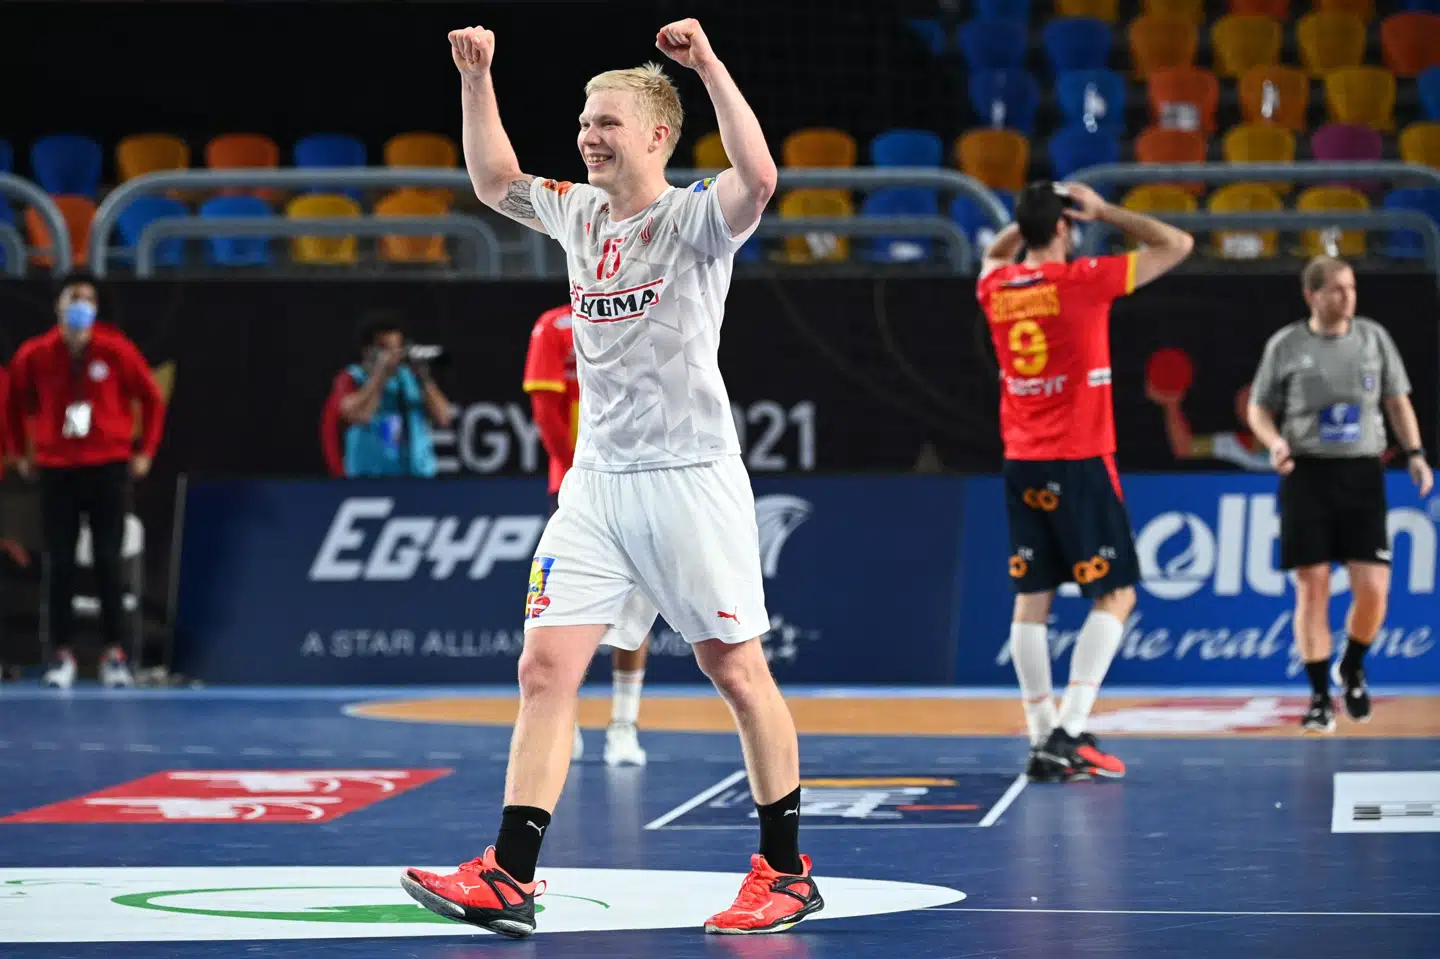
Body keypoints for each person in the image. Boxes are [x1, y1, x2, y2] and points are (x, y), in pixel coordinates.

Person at [402, 19, 822, 938]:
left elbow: (759, 178)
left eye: (608, 123)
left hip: (687, 477)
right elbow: (494, 181)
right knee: (544, 666)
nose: (589, 135)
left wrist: (709, 64)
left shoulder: (695, 218)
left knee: (734, 668)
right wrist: (477, 78)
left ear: (659, 136)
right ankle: (509, 873)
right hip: (595, 482)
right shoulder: (577, 212)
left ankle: (786, 872)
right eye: (585, 121)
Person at [977, 181, 1193, 782]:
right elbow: (1177, 243)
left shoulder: (996, 286)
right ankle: (1070, 730)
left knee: (1032, 600)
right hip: (1077, 459)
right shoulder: (1084, 280)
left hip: (1022, 461)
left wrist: (1030, 220)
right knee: (1116, 595)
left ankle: (1041, 737)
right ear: (1065, 227)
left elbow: (994, 253)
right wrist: (1104, 211)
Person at [1245, 256, 1433, 733]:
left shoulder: (1373, 339)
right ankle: (1318, 697)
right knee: (1312, 585)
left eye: (1351, 288)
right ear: (1311, 295)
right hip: (1307, 472)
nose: (1347, 297)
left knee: (1373, 588)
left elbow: (1397, 401)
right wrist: (1274, 442)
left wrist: (1415, 453)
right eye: (1336, 289)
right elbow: (1258, 409)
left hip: (1361, 471)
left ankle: (1352, 663)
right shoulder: (1287, 345)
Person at [7, 271, 166, 690]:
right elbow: (12, 402)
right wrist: (18, 452)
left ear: (95, 309)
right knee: (59, 563)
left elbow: (151, 397)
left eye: (88, 299)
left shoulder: (116, 351)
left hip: (107, 467)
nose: (80, 305)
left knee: (108, 561)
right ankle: (61, 656)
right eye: (73, 297)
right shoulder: (35, 354)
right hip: (57, 468)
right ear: (58, 305)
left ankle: (115, 655)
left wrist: (146, 451)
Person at [524, 303, 649, 767]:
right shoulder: (553, 326)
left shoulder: (639, 311)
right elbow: (545, 412)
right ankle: (565, 721)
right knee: (568, 608)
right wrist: (579, 472)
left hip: (638, 482)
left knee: (636, 604)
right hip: (578, 487)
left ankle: (624, 726)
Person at [328, 312, 456, 478]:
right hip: (370, 478)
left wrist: (425, 379)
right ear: (367, 350)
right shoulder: (352, 377)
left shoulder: (411, 378)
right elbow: (358, 415)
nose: (393, 355)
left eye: (396, 348)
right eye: (385, 348)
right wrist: (380, 375)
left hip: (417, 476)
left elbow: (444, 417)